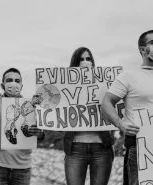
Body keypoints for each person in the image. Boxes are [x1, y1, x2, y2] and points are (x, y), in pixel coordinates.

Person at [0, 32, 44, 185]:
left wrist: (39, 133)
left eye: (17, 81)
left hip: (23, 168)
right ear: (2, 85)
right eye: (9, 80)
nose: (13, 83)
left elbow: (40, 136)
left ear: (22, 85)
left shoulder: (33, 105)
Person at [101, 30, 153, 185]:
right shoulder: (129, 76)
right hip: (141, 149)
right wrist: (120, 123)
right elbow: (106, 103)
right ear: (142, 50)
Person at [64, 47, 114, 185]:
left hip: (102, 147)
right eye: (81, 59)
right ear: (75, 63)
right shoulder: (65, 87)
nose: (85, 62)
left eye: (88, 59)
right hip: (75, 148)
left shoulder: (103, 85)